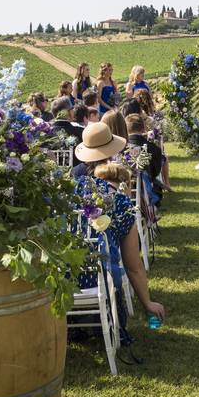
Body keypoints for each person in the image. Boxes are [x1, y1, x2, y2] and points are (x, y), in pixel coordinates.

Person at [73, 123, 165, 348]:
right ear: (112, 150)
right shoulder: (120, 201)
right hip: (101, 280)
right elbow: (133, 265)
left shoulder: (70, 190)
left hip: (66, 278)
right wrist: (148, 303)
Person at [125, 114, 163, 181]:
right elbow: (156, 173)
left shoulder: (120, 148)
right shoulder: (155, 149)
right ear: (143, 129)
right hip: (148, 188)